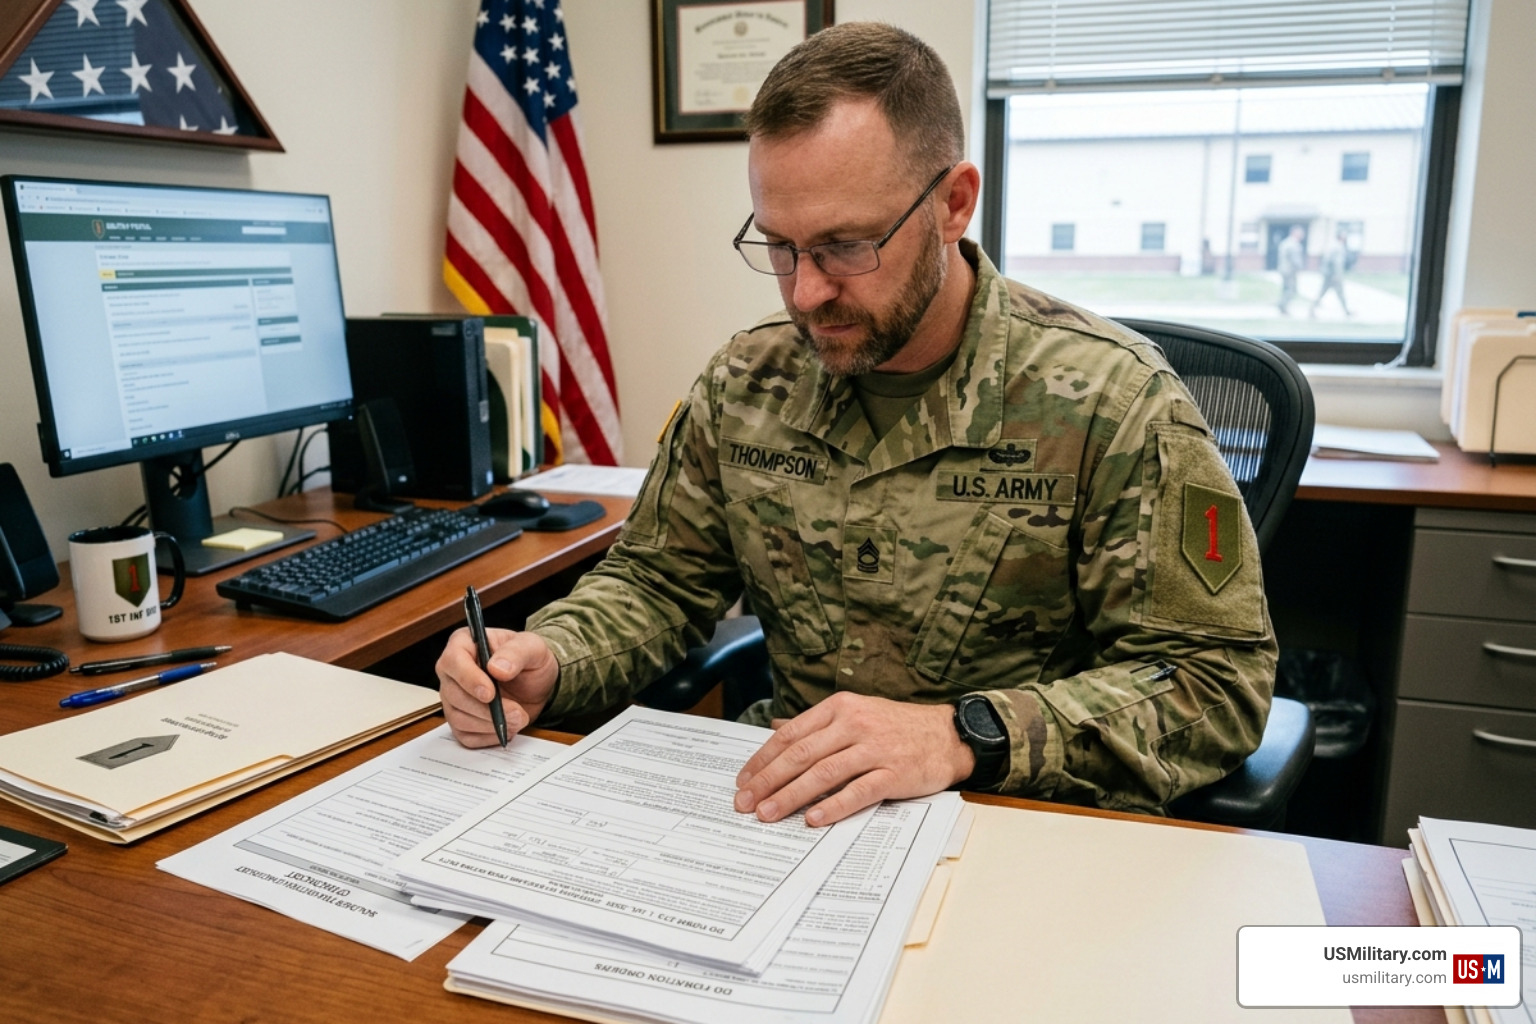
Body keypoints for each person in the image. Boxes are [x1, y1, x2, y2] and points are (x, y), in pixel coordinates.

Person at [437, 22, 1276, 828]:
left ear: (953, 204)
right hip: (786, 818)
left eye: (845, 246)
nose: (805, 293)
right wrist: (550, 659)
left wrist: (962, 734)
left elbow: (1217, 682)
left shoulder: (1111, 401)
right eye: (780, 247)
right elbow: (658, 583)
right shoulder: (746, 382)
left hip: (1015, 824)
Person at [1310, 227, 1352, 317]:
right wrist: (1338, 275)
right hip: (1333, 275)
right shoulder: (1339, 248)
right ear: (1342, 237)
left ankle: (1346, 311)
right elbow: (1337, 263)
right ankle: (1311, 310)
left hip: (1328, 274)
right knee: (1336, 293)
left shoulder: (1333, 246)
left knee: (1326, 292)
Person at [1276, 225, 1305, 315]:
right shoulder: (1293, 244)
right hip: (1290, 271)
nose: (1302, 235)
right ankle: (1283, 306)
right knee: (1292, 289)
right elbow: (1295, 260)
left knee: (1286, 289)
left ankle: (1282, 304)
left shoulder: (1285, 242)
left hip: (1283, 269)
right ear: (1295, 233)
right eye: (1301, 233)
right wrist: (1300, 268)